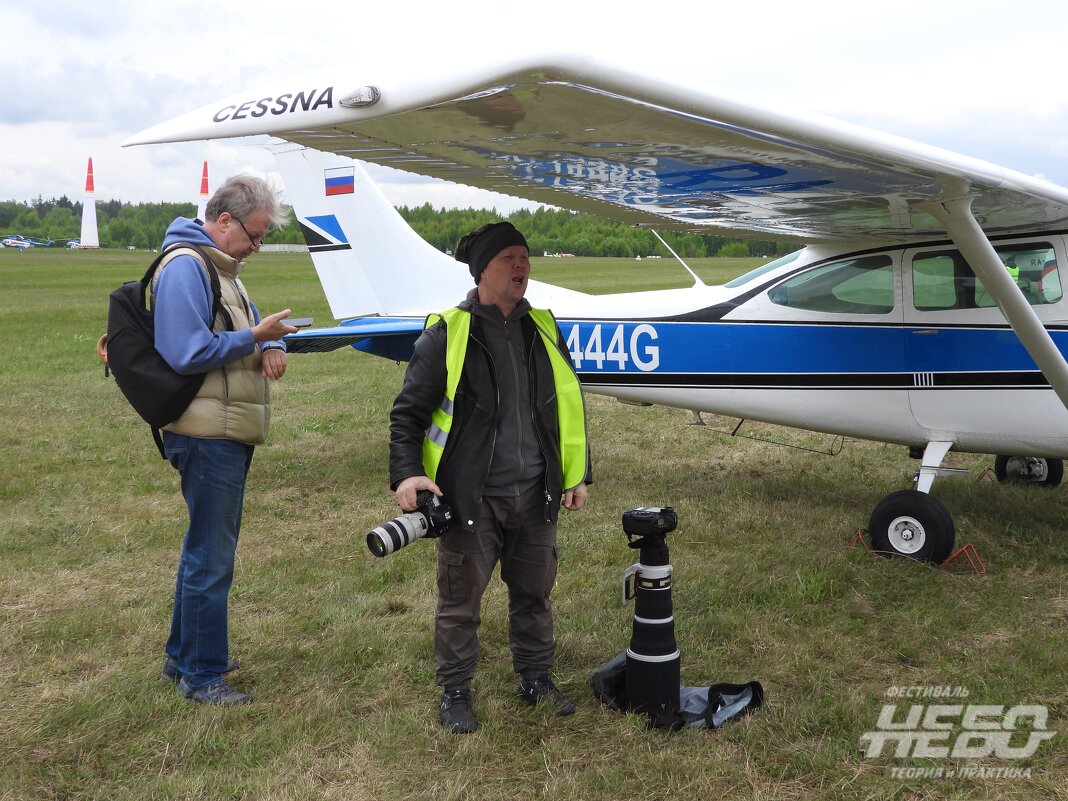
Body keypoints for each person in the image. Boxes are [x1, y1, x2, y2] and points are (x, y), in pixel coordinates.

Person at [389, 221, 592, 734]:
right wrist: (408, 474)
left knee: (534, 593)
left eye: (525, 256)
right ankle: (455, 690)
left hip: (536, 491)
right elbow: (407, 414)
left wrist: (577, 475)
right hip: (471, 497)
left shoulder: (542, 328)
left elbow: (568, 407)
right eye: (508, 258)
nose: (521, 266)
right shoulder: (448, 334)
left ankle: (535, 678)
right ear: (483, 271)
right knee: (460, 602)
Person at [153, 174, 297, 705]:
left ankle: (182, 657)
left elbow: (236, 340)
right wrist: (255, 336)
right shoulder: (186, 267)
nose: (256, 248)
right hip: (205, 432)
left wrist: (269, 348)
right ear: (224, 220)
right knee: (211, 558)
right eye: (254, 236)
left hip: (226, 428)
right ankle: (202, 674)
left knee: (204, 552)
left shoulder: (223, 271)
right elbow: (184, 351)